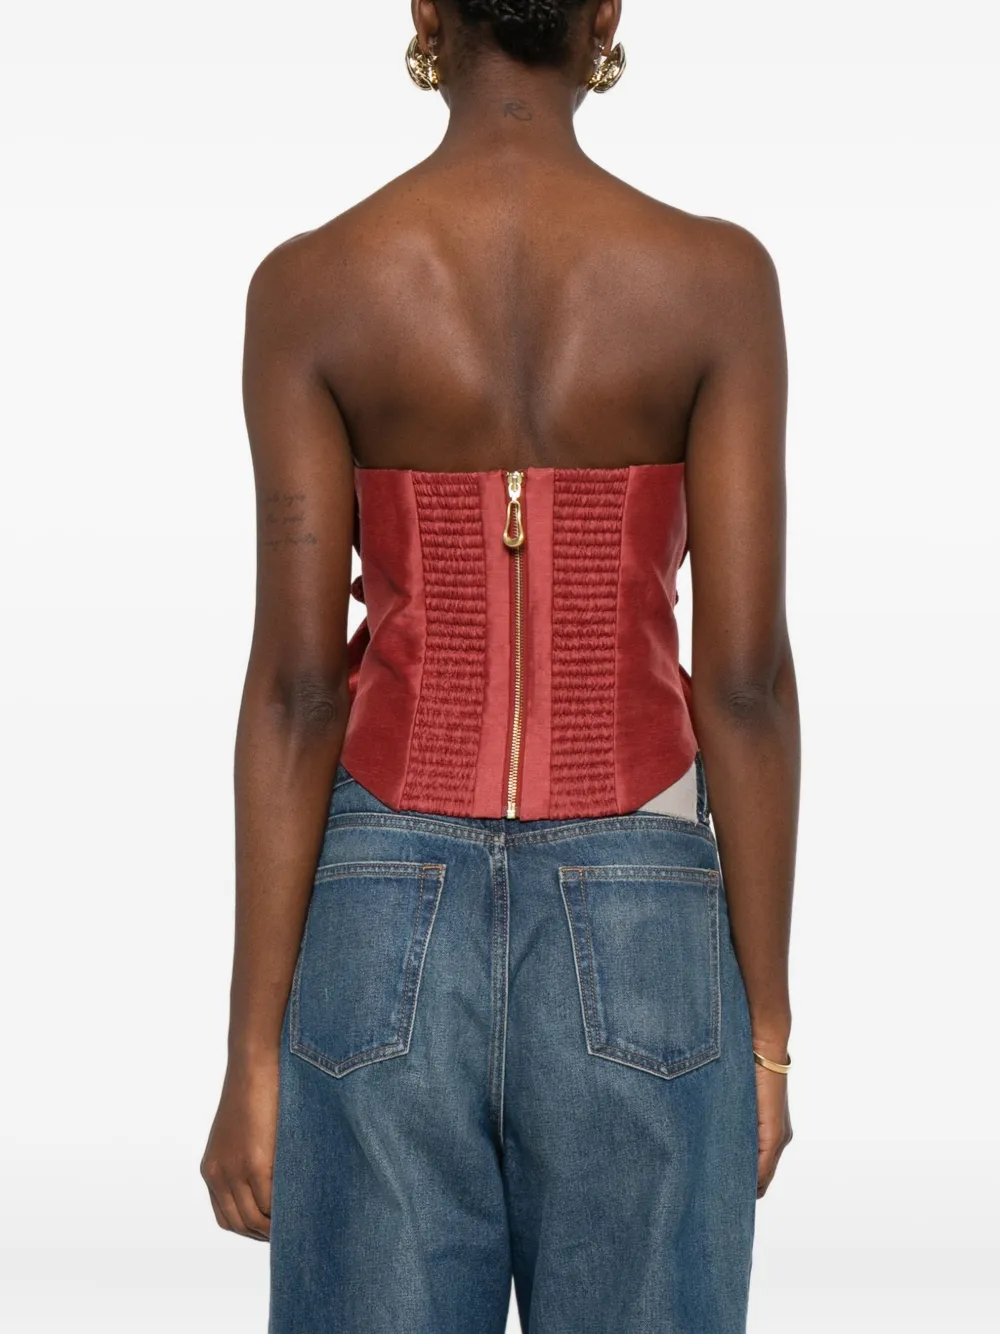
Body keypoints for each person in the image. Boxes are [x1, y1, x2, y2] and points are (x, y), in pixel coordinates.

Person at [200, 2, 799, 1330]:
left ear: (427, 9)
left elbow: (297, 691)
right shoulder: (714, 281)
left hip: (376, 910)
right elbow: (745, 683)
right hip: (646, 915)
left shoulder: (312, 287)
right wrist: (766, 1034)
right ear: (605, 12)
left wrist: (251, 1056)